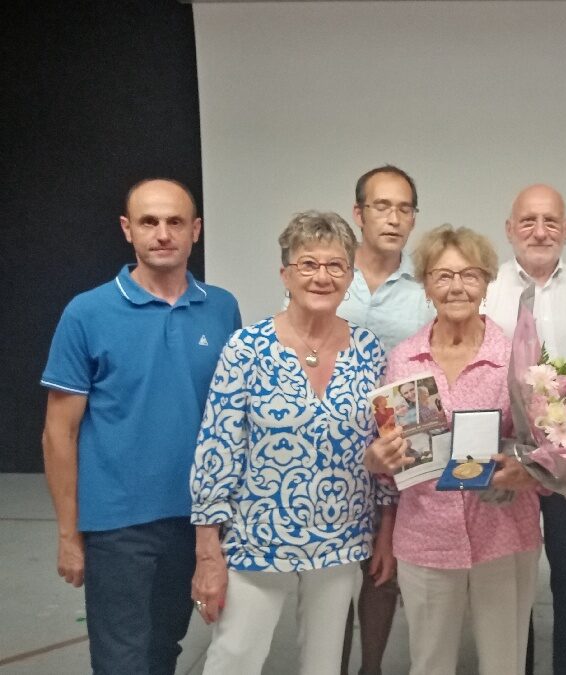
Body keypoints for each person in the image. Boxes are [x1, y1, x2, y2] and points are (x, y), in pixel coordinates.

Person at [40, 178, 241, 674]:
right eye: (149, 222)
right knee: (120, 659)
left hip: (196, 521)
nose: (163, 233)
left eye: (175, 222)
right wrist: (69, 534)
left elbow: (234, 419)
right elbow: (58, 433)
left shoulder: (222, 308)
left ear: (195, 230)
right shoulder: (86, 312)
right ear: (128, 230)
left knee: (164, 648)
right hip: (117, 524)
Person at [189, 211, 396, 674]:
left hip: (342, 537)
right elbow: (216, 450)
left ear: (350, 276)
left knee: (324, 665)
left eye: (336, 266)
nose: (322, 276)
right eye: (308, 264)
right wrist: (208, 552)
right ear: (285, 274)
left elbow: (386, 445)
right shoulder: (247, 349)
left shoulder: (370, 352)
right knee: (235, 658)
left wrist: (386, 530)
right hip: (258, 538)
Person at [366, 224, 542, 675]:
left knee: (505, 664)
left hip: (504, 533)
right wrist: (381, 459)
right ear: (425, 285)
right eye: (443, 276)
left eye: (469, 274)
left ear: (486, 283)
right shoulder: (404, 358)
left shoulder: (519, 356)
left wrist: (526, 469)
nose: (457, 286)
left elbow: (547, 450)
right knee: (429, 664)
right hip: (426, 537)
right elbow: (394, 463)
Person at [484, 183, 566, 675]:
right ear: (509, 229)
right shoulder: (487, 288)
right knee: (508, 584)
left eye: (551, 221)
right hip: (505, 459)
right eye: (528, 221)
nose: (540, 231)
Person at [339, 165, 434, 675]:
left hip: (399, 443)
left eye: (404, 208)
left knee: (382, 572)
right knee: (334, 576)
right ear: (359, 214)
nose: (394, 218)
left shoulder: (424, 290)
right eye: (382, 206)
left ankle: (370, 669)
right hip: (332, 448)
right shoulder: (330, 273)